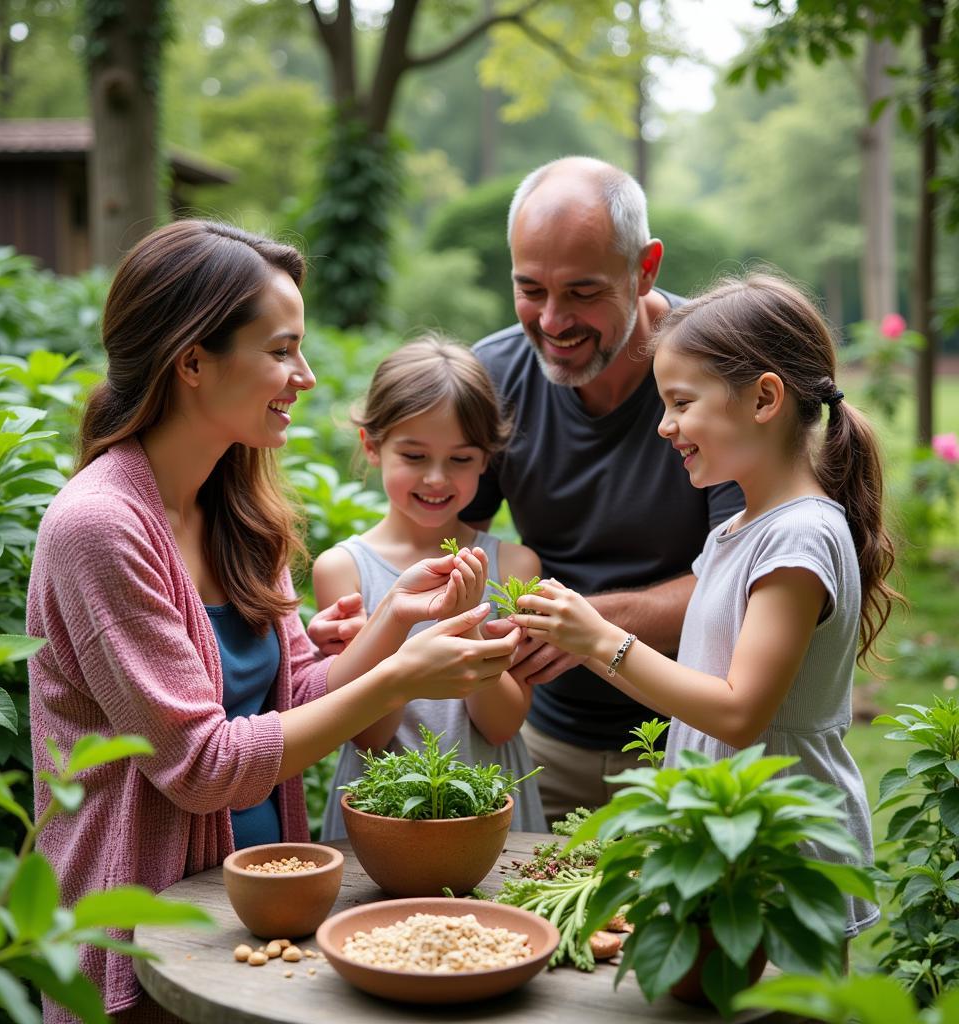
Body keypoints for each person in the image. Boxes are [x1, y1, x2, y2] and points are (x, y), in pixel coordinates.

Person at [26, 220, 521, 1024]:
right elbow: (202, 766)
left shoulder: (239, 506)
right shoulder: (99, 527)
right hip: (141, 937)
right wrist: (399, 674)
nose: (308, 377)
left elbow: (294, 689)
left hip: (254, 918)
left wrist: (395, 618)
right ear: (192, 361)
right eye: (283, 351)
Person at [512, 273, 900, 940]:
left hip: (782, 854)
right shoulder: (735, 531)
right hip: (727, 843)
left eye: (681, 403)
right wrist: (581, 637)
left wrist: (601, 640)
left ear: (764, 398)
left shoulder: (798, 540)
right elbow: (703, 686)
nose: (665, 426)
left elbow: (739, 711)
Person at [460, 156, 743, 822]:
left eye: (583, 292)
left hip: (699, 743)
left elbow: (743, 576)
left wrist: (588, 627)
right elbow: (440, 540)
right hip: (543, 743)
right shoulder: (492, 378)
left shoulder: (721, 371)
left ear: (645, 269)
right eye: (530, 289)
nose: (553, 321)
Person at [313, 337, 547, 838]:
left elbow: (503, 724)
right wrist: (402, 623)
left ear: (487, 460)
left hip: (490, 800)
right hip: (381, 808)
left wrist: (467, 633)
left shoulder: (515, 562)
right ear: (371, 447)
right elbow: (368, 735)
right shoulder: (344, 568)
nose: (437, 478)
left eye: (461, 459)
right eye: (414, 455)